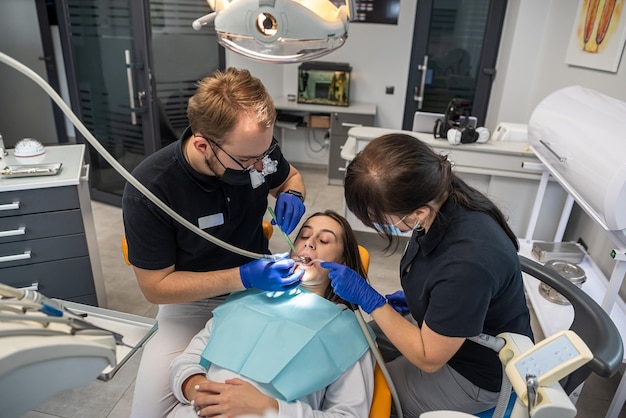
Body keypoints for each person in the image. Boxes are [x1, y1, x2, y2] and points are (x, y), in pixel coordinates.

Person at [122, 67, 307, 417]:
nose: (260, 168)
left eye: (264, 155)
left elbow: (289, 175)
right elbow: (156, 288)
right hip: (189, 303)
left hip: (255, 295)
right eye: (248, 161)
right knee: (148, 411)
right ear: (203, 143)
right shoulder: (151, 190)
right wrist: (244, 276)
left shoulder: (257, 153)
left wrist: (293, 192)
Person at [320, 133, 534, 417]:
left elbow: (429, 357)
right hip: (439, 331)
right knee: (350, 345)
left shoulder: (468, 261)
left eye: (379, 219)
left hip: (471, 371)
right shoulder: (437, 198)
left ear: (418, 212)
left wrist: (372, 301)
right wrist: (420, 301)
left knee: (364, 391)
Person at [168, 211, 375, 417]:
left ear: (344, 263)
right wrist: (198, 388)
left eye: (324, 240)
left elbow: (348, 415)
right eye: (303, 236)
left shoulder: (349, 334)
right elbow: (187, 361)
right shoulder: (247, 298)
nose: (309, 243)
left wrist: (269, 407)